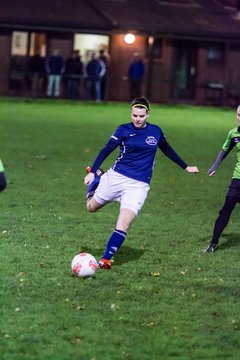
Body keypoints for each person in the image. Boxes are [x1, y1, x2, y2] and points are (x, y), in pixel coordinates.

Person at [84, 97, 199, 270]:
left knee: (124, 224)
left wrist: (186, 167)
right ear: (131, 113)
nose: (137, 119)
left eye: (141, 116)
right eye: (134, 115)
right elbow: (105, 150)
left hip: (138, 186)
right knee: (91, 208)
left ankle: (106, 260)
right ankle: (98, 181)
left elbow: (167, 149)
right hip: (116, 178)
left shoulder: (156, 131)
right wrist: (93, 172)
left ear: (148, 114)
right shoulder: (123, 130)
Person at [204, 105, 240, 252]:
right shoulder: (233, 134)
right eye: (239, 114)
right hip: (238, 179)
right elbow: (225, 149)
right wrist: (214, 166)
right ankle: (213, 243)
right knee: (225, 211)